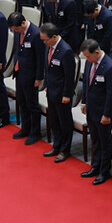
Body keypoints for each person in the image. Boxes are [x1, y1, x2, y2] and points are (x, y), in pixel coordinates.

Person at [80, 38, 112, 185]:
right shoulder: (91, 63)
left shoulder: (109, 67)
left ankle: (104, 171)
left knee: (105, 142)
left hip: (102, 112)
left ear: (97, 52)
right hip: (91, 108)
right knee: (95, 140)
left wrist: (107, 114)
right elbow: (86, 83)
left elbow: (111, 94)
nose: (87, 59)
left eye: (89, 56)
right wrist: (84, 102)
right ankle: (95, 166)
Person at [39, 23, 77, 163]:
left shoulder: (65, 51)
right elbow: (47, 68)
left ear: (54, 37)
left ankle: (65, 150)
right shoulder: (48, 47)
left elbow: (69, 76)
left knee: (64, 122)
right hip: (51, 90)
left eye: (45, 39)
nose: (44, 42)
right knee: (54, 120)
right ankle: (56, 145)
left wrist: (67, 95)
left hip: (62, 94)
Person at [9, 12, 45, 145]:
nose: (16, 31)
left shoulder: (36, 34)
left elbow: (40, 58)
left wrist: (39, 77)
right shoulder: (18, 31)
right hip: (20, 71)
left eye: (17, 29)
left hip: (31, 75)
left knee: (32, 105)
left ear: (23, 23)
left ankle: (35, 133)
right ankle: (25, 128)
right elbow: (18, 49)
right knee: (22, 101)